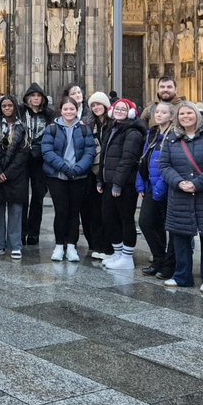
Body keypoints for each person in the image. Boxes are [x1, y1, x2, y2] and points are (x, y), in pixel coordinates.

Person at [160, 103, 203, 292]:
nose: (186, 116)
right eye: (182, 113)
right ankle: (182, 276)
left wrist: (197, 183)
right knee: (180, 236)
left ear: (197, 115)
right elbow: (164, 165)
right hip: (179, 194)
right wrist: (180, 183)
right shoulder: (171, 138)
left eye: (189, 112)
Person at [42, 97, 96, 261]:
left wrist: (78, 168)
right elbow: (47, 151)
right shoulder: (52, 128)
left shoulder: (84, 128)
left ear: (76, 109)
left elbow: (90, 151)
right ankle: (59, 245)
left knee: (74, 212)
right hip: (57, 176)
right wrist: (64, 168)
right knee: (61, 211)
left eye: (71, 109)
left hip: (79, 176)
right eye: (65, 109)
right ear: (61, 110)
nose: (69, 112)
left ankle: (71, 246)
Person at [100, 98, 145, 270]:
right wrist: (100, 180)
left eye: (123, 109)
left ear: (131, 112)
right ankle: (118, 253)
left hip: (124, 184)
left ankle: (127, 257)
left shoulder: (132, 132)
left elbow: (128, 160)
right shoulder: (114, 128)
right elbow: (105, 156)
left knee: (125, 218)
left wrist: (117, 184)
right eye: (117, 108)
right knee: (109, 218)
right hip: (111, 181)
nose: (119, 111)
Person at [137, 101, 175, 278]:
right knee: (146, 222)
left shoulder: (174, 135)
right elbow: (143, 159)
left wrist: (161, 185)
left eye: (163, 112)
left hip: (169, 187)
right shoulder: (152, 134)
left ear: (171, 116)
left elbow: (171, 163)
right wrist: (141, 183)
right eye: (157, 112)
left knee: (171, 227)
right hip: (152, 186)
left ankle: (169, 264)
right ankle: (159, 258)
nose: (159, 115)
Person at [0, 94, 29, 258]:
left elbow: (23, 153)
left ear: (15, 107)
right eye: (4, 106)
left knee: (16, 209)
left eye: (9, 106)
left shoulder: (23, 127)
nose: (7, 108)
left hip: (16, 176)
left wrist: (8, 173)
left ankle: (15, 244)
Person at [21, 83, 54, 245]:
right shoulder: (21, 112)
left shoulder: (49, 115)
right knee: (21, 197)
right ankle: (21, 231)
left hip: (40, 160)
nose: (35, 98)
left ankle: (33, 232)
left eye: (38, 96)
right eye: (33, 95)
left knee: (38, 197)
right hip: (22, 158)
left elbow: (51, 136)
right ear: (28, 97)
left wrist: (39, 149)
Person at [82, 92, 111, 258]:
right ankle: (97, 245)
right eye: (93, 105)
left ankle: (109, 246)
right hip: (93, 172)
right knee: (94, 211)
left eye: (99, 104)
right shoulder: (89, 124)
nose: (96, 107)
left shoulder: (114, 124)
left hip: (108, 172)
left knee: (107, 211)